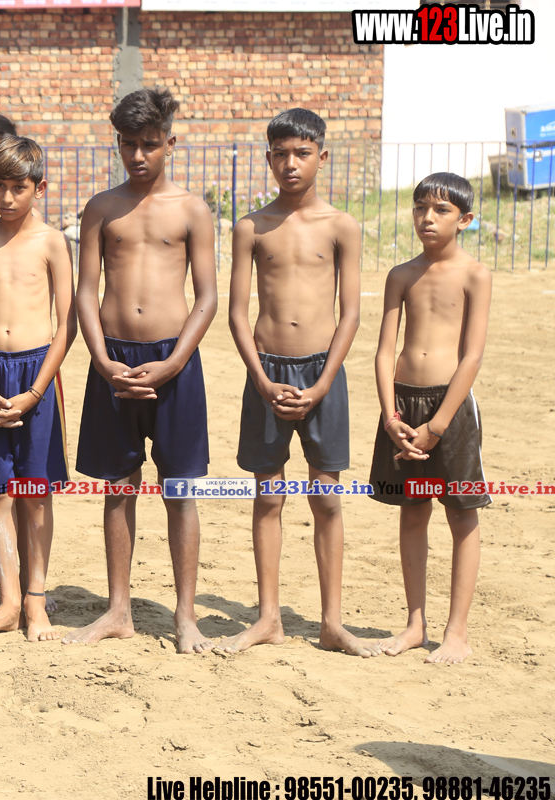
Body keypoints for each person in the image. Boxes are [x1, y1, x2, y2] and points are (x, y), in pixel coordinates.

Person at [64, 87, 217, 654]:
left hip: (175, 361)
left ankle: (185, 615)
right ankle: (118, 610)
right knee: (118, 486)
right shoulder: (102, 208)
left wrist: (174, 362)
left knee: (179, 489)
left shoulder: (192, 210)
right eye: (128, 144)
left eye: (149, 144)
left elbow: (207, 297)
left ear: (170, 143)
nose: (137, 155)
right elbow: (85, 291)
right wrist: (102, 361)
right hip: (115, 362)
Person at [221, 108, 373, 657]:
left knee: (327, 498)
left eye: (302, 153)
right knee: (268, 496)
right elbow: (237, 314)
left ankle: (332, 623)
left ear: (321, 157)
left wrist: (323, 383)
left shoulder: (341, 226)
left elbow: (350, 313)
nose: (291, 164)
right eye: (281, 154)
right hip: (267, 373)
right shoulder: (251, 227)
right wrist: (261, 380)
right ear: (268, 158)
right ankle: (268, 618)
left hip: (322, 374)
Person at [0, 135, 75, 642]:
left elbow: (66, 325)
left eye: (18, 187)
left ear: (38, 188)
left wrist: (35, 393)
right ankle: (7, 602)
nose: (6, 197)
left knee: (35, 493)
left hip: (35, 376)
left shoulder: (52, 242)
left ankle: (35, 601)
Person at [369, 172, 491, 665]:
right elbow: (384, 352)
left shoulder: (475, 275)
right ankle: (415, 625)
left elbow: (472, 356)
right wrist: (389, 417)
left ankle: (456, 631)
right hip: (403, 407)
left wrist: (437, 425)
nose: (427, 218)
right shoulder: (401, 275)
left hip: (451, 410)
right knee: (413, 511)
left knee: (461, 513)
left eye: (441, 210)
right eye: (420, 207)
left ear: (465, 219)